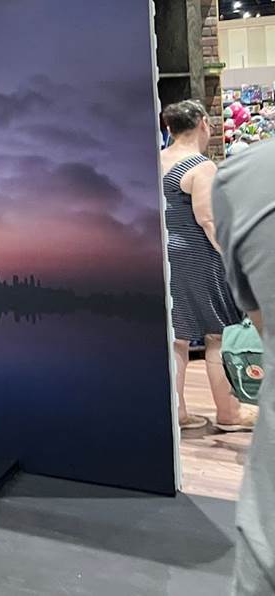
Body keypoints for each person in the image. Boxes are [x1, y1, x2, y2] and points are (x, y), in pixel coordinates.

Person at [159, 100, 255, 432]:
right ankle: (229, 413)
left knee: (177, 339)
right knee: (219, 335)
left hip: (166, 255)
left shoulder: (156, 161)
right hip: (199, 258)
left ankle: (178, 414)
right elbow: (210, 221)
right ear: (203, 123)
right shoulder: (201, 167)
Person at [213, 140, 274, 595]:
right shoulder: (210, 172)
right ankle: (227, 412)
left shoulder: (243, 178)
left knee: (187, 342)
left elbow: (262, 322)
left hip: (267, 532)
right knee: (212, 338)